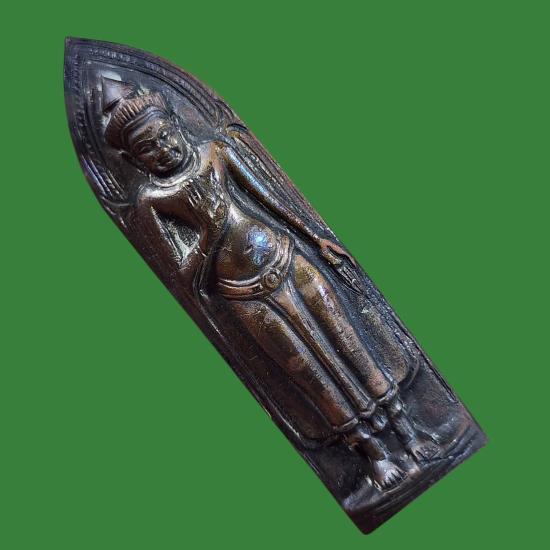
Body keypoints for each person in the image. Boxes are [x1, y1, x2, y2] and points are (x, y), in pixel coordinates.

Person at [103, 80, 438, 489]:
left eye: (164, 135)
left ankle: (410, 432)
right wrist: (209, 232)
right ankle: (375, 454)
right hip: (243, 295)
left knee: (350, 345)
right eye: (148, 149)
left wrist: (317, 238)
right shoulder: (154, 200)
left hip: (290, 260)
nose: (164, 149)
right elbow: (186, 281)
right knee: (310, 371)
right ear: (133, 159)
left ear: (174, 122)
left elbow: (272, 200)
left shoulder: (216, 154)